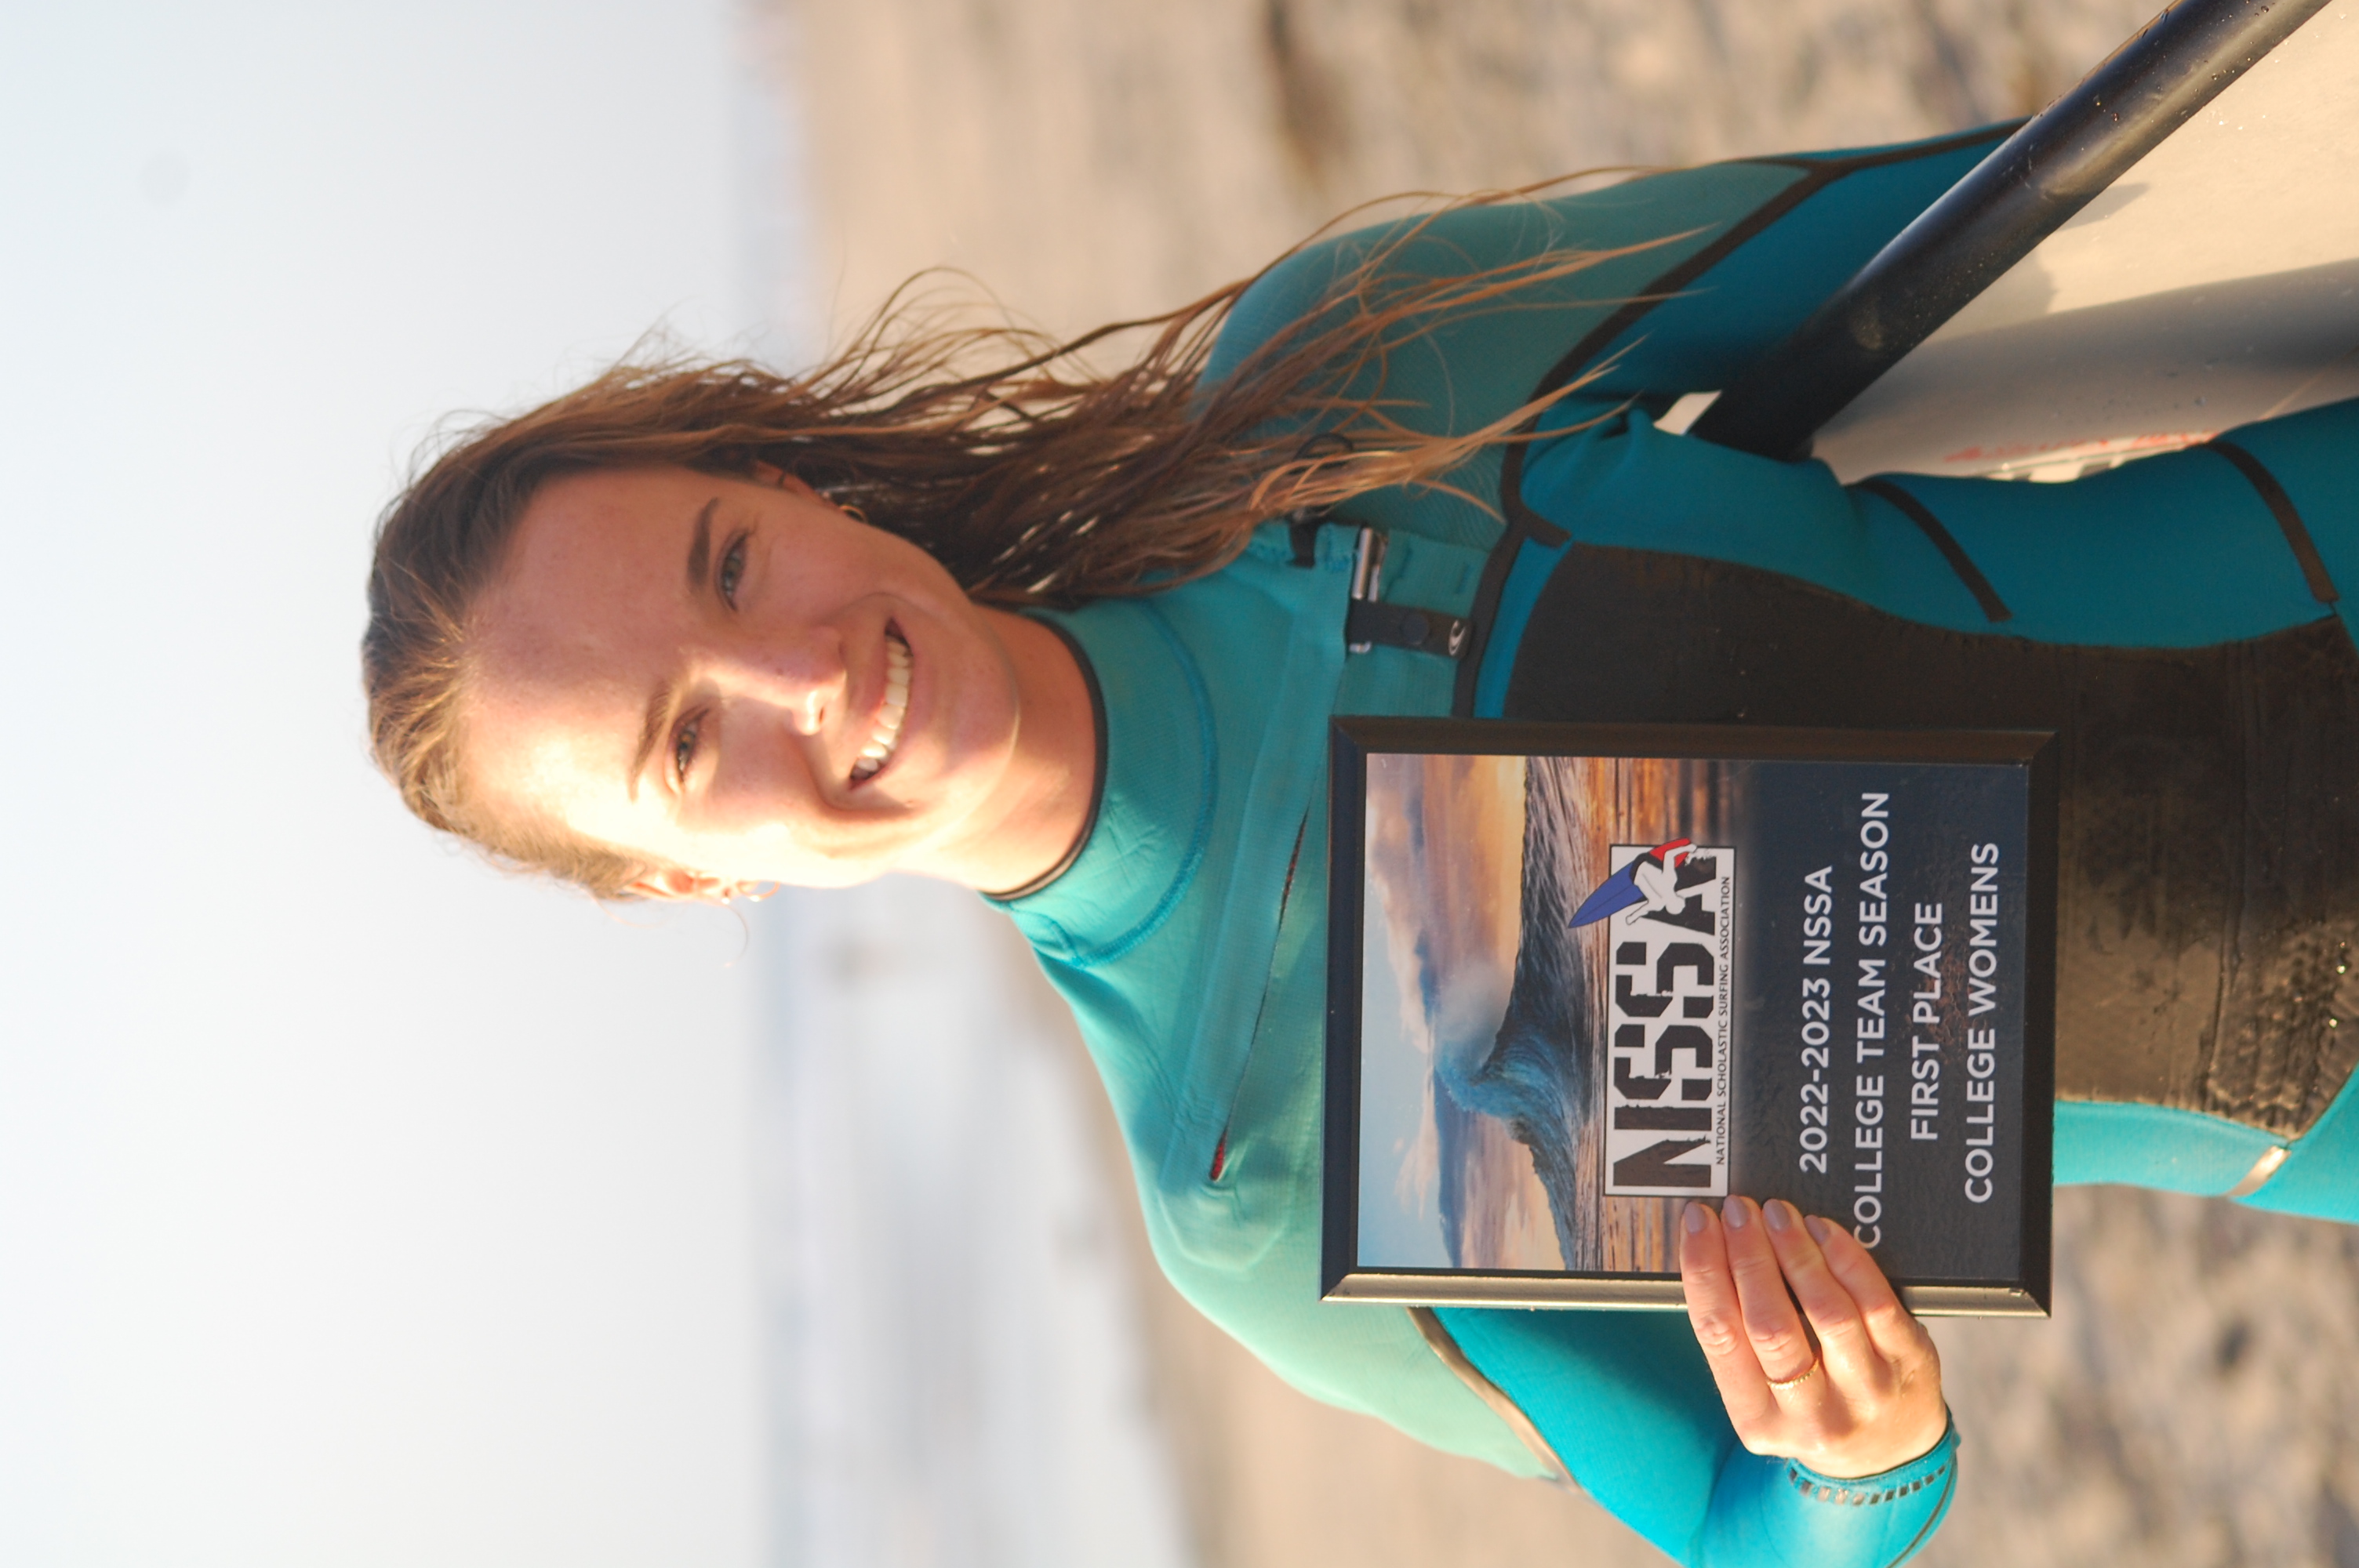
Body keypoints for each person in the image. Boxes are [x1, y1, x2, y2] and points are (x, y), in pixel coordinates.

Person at [363, 124, 2359, 1566]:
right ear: (694, 875)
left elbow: (2054, 204)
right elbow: (1757, 1531)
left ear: (783, 484)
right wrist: (1858, 1443)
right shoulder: (1253, 1178)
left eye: (729, 561)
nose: (799, 673)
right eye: (689, 740)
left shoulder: (1342, 379)